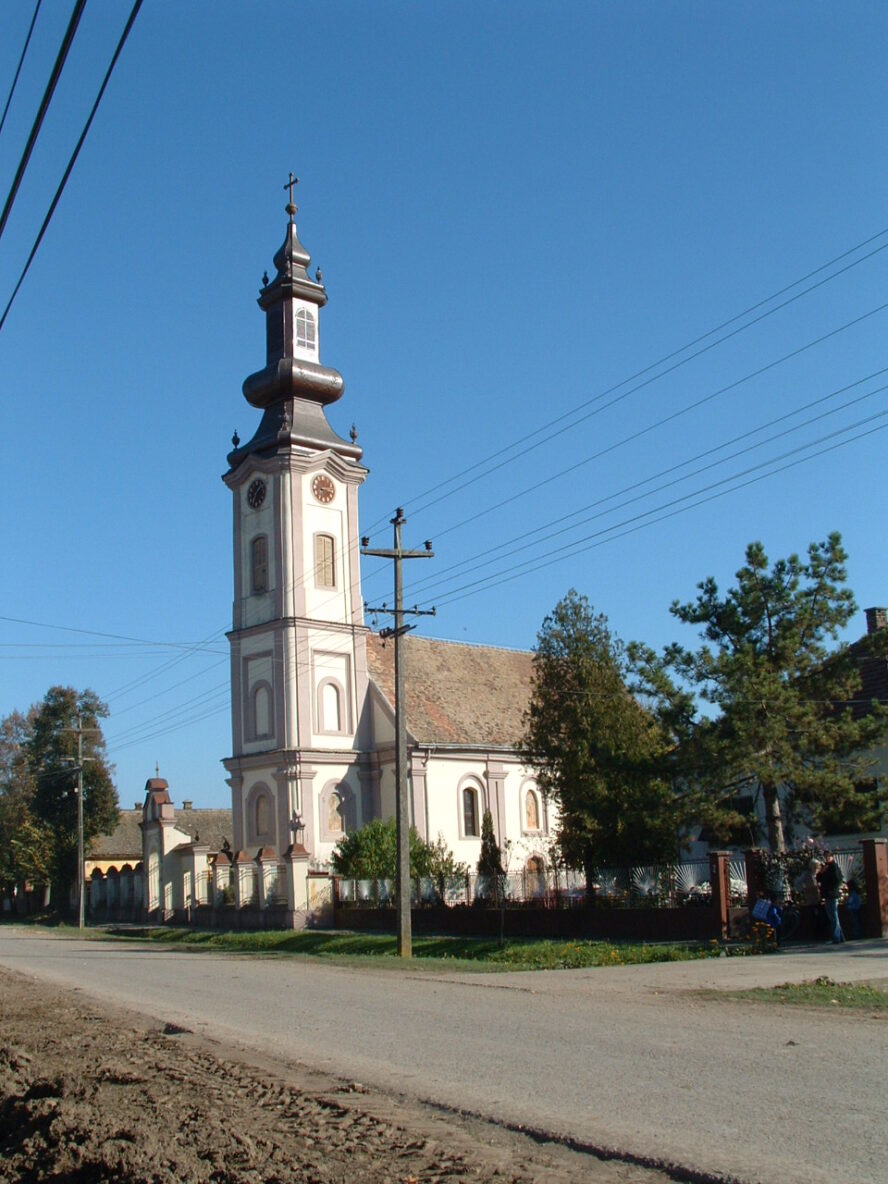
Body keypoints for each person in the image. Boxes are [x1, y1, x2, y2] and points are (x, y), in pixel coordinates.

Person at [817, 852, 845, 944]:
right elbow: (819, 879)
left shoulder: (833, 867)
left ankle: (836, 937)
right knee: (832, 916)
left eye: (828, 857)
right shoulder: (826, 867)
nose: (826, 858)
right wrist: (821, 872)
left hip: (832, 895)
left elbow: (838, 879)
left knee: (833, 916)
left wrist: (832, 889)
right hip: (827, 895)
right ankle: (840, 937)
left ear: (831, 857)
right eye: (825, 857)